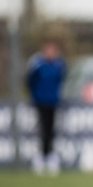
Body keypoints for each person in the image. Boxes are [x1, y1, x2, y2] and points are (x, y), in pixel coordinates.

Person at [25, 39, 66, 175]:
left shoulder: (59, 64)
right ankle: (41, 157)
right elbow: (29, 80)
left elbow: (62, 79)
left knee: (51, 129)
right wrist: (34, 95)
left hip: (53, 101)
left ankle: (50, 157)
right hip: (40, 101)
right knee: (42, 129)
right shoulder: (37, 64)